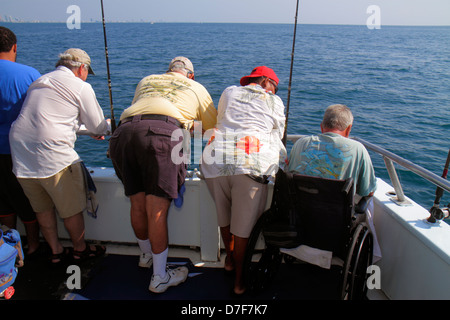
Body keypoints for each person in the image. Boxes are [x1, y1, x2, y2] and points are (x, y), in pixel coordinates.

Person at [109, 56, 217, 293]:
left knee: (136, 203)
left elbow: (142, 112)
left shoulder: (146, 80)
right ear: (190, 75)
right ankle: (159, 277)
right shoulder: (196, 87)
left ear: (168, 71)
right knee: (156, 210)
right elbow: (210, 127)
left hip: (123, 133)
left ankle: (146, 256)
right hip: (162, 134)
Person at [9, 48, 110, 264]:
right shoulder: (80, 86)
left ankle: (55, 251)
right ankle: (80, 249)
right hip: (52, 153)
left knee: (42, 208)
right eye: (86, 71)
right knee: (70, 209)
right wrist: (98, 130)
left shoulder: (40, 81)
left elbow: (50, 115)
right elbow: (99, 126)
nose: (86, 75)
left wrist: (79, 126)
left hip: (20, 151)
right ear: (82, 68)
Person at [201, 66, 287, 295]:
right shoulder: (275, 101)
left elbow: (221, 120)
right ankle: (239, 283)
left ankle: (228, 260)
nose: (274, 90)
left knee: (224, 215)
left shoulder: (229, 91)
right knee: (243, 230)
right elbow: (277, 134)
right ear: (266, 81)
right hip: (250, 164)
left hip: (215, 159)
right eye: (274, 86)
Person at [288, 104, 381, 260]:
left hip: (299, 221)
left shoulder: (300, 144)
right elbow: (367, 191)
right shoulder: (358, 149)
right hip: (334, 227)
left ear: (322, 126)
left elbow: (290, 173)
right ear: (349, 129)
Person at [0, 26, 41, 256]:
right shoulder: (29, 75)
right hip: (18, 151)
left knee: (3, 202)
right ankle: (32, 246)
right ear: (14, 47)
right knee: (26, 201)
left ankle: (8, 247)